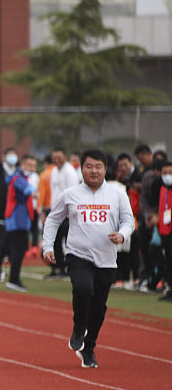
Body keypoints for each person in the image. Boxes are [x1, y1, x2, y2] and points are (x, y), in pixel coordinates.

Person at [42, 149, 135, 368]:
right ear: (81, 168)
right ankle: (78, 325)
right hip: (78, 255)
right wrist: (47, 246)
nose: (94, 171)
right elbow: (53, 220)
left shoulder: (117, 194)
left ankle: (89, 347)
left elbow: (129, 220)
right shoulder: (70, 194)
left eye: (98, 166)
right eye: (89, 166)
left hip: (107, 258)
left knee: (99, 307)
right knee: (83, 289)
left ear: (105, 169)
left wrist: (122, 234)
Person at [45, 147, 81, 279]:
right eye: (55, 158)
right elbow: (53, 191)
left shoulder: (69, 171)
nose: (56, 160)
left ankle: (68, 267)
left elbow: (72, 192)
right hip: (55, 210)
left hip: (66, 212)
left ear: (65, 157)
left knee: (68, 241)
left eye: (59, 157)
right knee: (56, 240)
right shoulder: (54, 170)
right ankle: (58, 267)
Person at [4, 155, 38, 291]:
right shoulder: (18, 178)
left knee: (19, 249)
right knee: (18, 250)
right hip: (17, 220)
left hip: (20, 220)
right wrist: (34, 193)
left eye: (34, 166)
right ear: (22, 165)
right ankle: (14, 279)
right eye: (29, 165)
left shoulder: (18, 178)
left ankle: (14, 278)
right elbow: (27, 189)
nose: (32, 169)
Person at [149, 157, 172, 301]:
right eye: (165, 172)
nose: (167, 175)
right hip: (163, 229)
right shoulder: (162, 189)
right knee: (166, 261)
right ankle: (169, 287)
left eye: (170, 172)